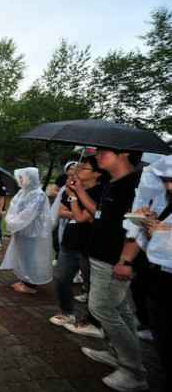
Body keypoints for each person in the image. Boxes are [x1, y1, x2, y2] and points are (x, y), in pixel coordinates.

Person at [78, 148, 147, 391]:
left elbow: (138, 227)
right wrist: (77, 189)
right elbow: (98, 215)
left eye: (103, 151)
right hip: (100, 256)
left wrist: (125, 261)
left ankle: (134, 371)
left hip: (113, 260)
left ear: (125, 153)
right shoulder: (112, 182)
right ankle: (117, 353)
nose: (96, 156)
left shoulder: (134, 186)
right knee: (120, 308)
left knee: (101, 307)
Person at [49, 157, 105, 338]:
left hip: (88, 245)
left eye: (84, 168)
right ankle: (67, 312)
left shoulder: (100, 191)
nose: (77, 170)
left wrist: (74, 198)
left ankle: (93, 321)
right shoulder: (70, 189)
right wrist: (79, 208)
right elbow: (62, 212)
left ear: (97, 173)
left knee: (91, 286)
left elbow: (84, 217)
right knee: (63, 279)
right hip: (69, 241)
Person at [130, 155, 172, 390]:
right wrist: (150, 226)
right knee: (164, 350)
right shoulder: (167, 203)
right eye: (166, 180)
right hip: (159, 281)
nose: (168, 186)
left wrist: (161, 233)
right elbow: (157, 241)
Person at [0, 167, 54, 294]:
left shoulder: (38, 194)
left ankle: (31, 285)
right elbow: (14, 208)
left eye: (23, 177)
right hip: (22, 230)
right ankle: (24, 279)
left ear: (32, 178)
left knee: (30, 257)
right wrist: (12, 221)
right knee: (21, 256)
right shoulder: (23, 192)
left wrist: (13, 222)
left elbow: (29, 213)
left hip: (32, 232)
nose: (21, 180)